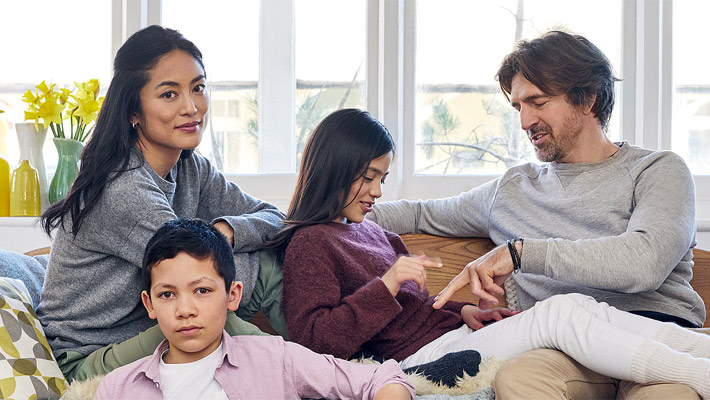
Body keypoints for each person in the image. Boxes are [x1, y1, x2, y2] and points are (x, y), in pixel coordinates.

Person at [270, 108, 710, 398]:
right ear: (334, 170)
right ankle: (701, 375)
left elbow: (415, 312)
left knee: (574, 305)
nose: (377, 193)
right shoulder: (311, 243)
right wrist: (386, 286)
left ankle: (702, 355)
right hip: (411, 365)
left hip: (452, 337)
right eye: (368, 177)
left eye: (382, 178)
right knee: (560, 312)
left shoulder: (372, 234)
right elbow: (314, 341)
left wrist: (464, 313)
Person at [368, 30, 707, 399]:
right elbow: (418, 214)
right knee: (519, 378)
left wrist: (520, 253)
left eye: (539, 102)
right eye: (518, 107)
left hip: (660, 340)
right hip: (563, 354)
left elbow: (644, 262)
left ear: (588, 98)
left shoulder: (658, 170)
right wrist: (312, 215)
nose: (525, 121)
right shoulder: (511, 190)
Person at [37, 25, 285, 383]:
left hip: (156, 325)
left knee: (267, 264)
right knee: (205, 307)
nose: (191, 107)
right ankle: (307, 373)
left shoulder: (190, 166)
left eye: (198, 88)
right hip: (89, 359)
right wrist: (221, 270)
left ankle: (327, 357)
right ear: (133, 111)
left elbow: (274, 217)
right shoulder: (122, 191)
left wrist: (226, 232)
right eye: (169, 94)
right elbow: (193, 280)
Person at [94, 218, 415, 400]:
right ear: (149, 304)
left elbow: (380, 376)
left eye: (202, 290)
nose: (185, 309)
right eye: (167, 295)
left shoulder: (276, 358)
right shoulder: (117, 388)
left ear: (232, 296)